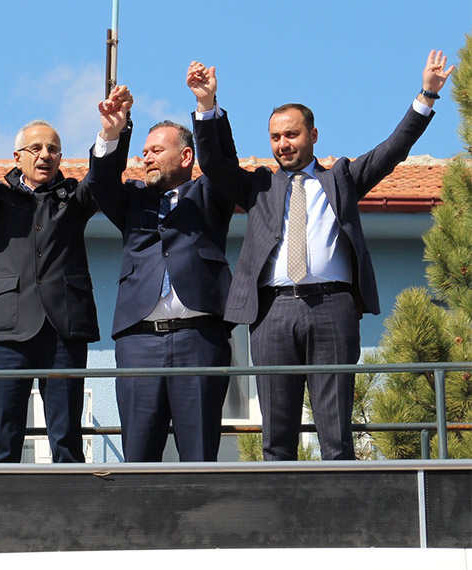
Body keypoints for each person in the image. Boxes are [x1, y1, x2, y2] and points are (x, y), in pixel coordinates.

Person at [192, 51, 454, 460]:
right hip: (272, 311)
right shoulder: (257, 186)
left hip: (332, 307)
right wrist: (207, 105)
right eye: (276, 137)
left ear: (314, 135)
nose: (283, 144)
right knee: (277, 433)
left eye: (292, 135)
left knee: (335, 432)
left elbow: (392, 150)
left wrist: (427, 95)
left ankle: (338, 513)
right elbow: (213, 161)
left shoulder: (342, 179)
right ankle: (281, 517)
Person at [0, 73, 97, 463]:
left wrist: (112, 133)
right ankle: (0, 510)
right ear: (18, 157)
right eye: (36, 148)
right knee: (4, 433)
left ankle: (71, 512)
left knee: (66, 437)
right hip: (9, 329)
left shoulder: (74, 199)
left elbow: (105, 178)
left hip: (64, 328)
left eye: (53, 149)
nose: (45, 155)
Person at [89, 82, 236, 462]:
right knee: (138, 454)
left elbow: (222, 164)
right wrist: (112, 131)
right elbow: (100, 181)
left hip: (199, 340)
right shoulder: (132, 199)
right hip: (140, 343)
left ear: (186, 156)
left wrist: (206, 106)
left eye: (156, 151)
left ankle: (201, 522)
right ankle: (139, 523)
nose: (147, 159)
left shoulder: (210, 194)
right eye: (143, 152)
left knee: (200, 452)